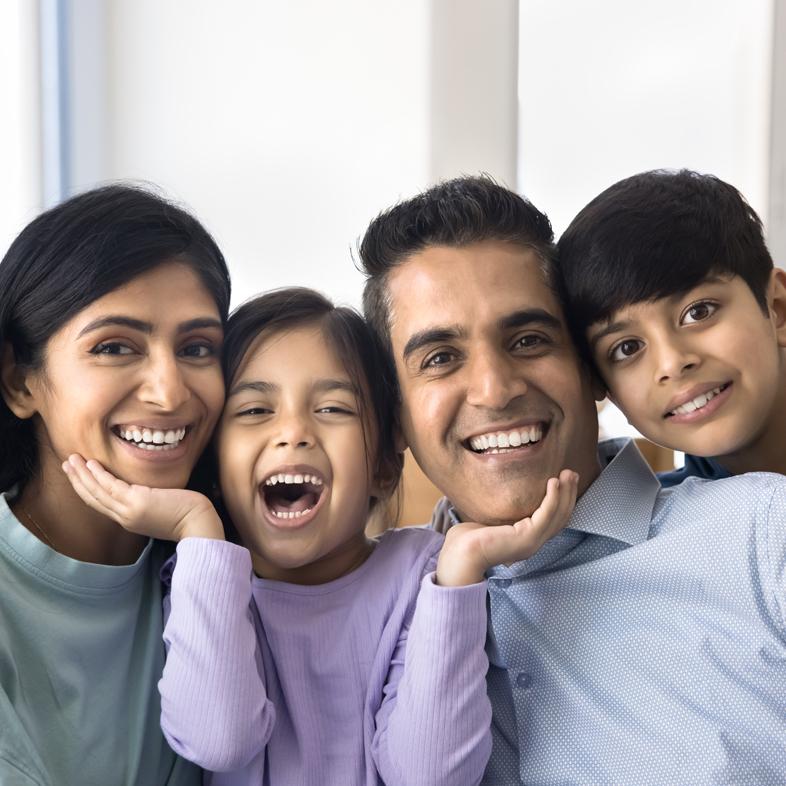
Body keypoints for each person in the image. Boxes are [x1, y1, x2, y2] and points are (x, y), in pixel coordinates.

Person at [358, 175, 786, 785]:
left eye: (528, 340)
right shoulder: (367, 609)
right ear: (393, 414)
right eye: (441, 358)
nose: (495, 389)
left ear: (591, 375)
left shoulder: (763, 534)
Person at [62, 287, 577, 786]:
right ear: (216, 467)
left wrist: (459, 573)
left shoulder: (425, 577)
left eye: (333, 409)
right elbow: (220, 741)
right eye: (255, 411)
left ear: (381, 466)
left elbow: (429, 775)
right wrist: (198, 531)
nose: (294, 433)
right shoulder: (204, 583)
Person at [0, 184, 230, 785]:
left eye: (197, 348)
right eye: (114, 347)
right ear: (19, 383)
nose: (170, 391)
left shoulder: (227, 571)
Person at [556, 169, 786, 485]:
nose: (672, 363)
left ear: (777, 309)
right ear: (604, 388)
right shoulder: (661, 527)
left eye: (698, 312)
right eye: (627, 348)